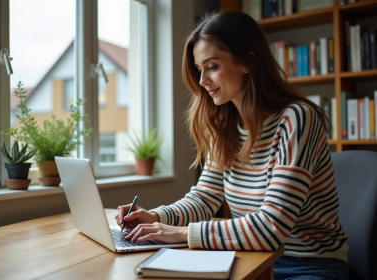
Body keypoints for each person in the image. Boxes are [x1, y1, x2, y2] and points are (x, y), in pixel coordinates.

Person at [116, 11, 349, 279]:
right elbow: (203, 199)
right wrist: (156, 217)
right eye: (198, 69)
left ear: (247, 61)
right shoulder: (225, 126)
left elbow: (271, 228)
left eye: (212, 66)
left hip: (309, 264)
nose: (202, 81)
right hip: (248, 257)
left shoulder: (296, 119)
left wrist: (181, 233)